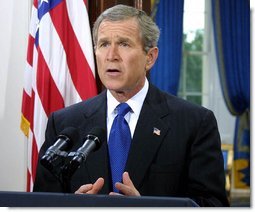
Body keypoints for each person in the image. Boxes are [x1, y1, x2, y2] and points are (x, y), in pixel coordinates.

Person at [33, 4, 229, 206]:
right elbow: (39, 204)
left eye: (124, 44)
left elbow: (213, 204)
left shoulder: (194, 123)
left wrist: (149, 209)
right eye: (104, 44)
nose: (111, 55)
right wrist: (71, 207)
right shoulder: (64, 123)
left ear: (150, 58)